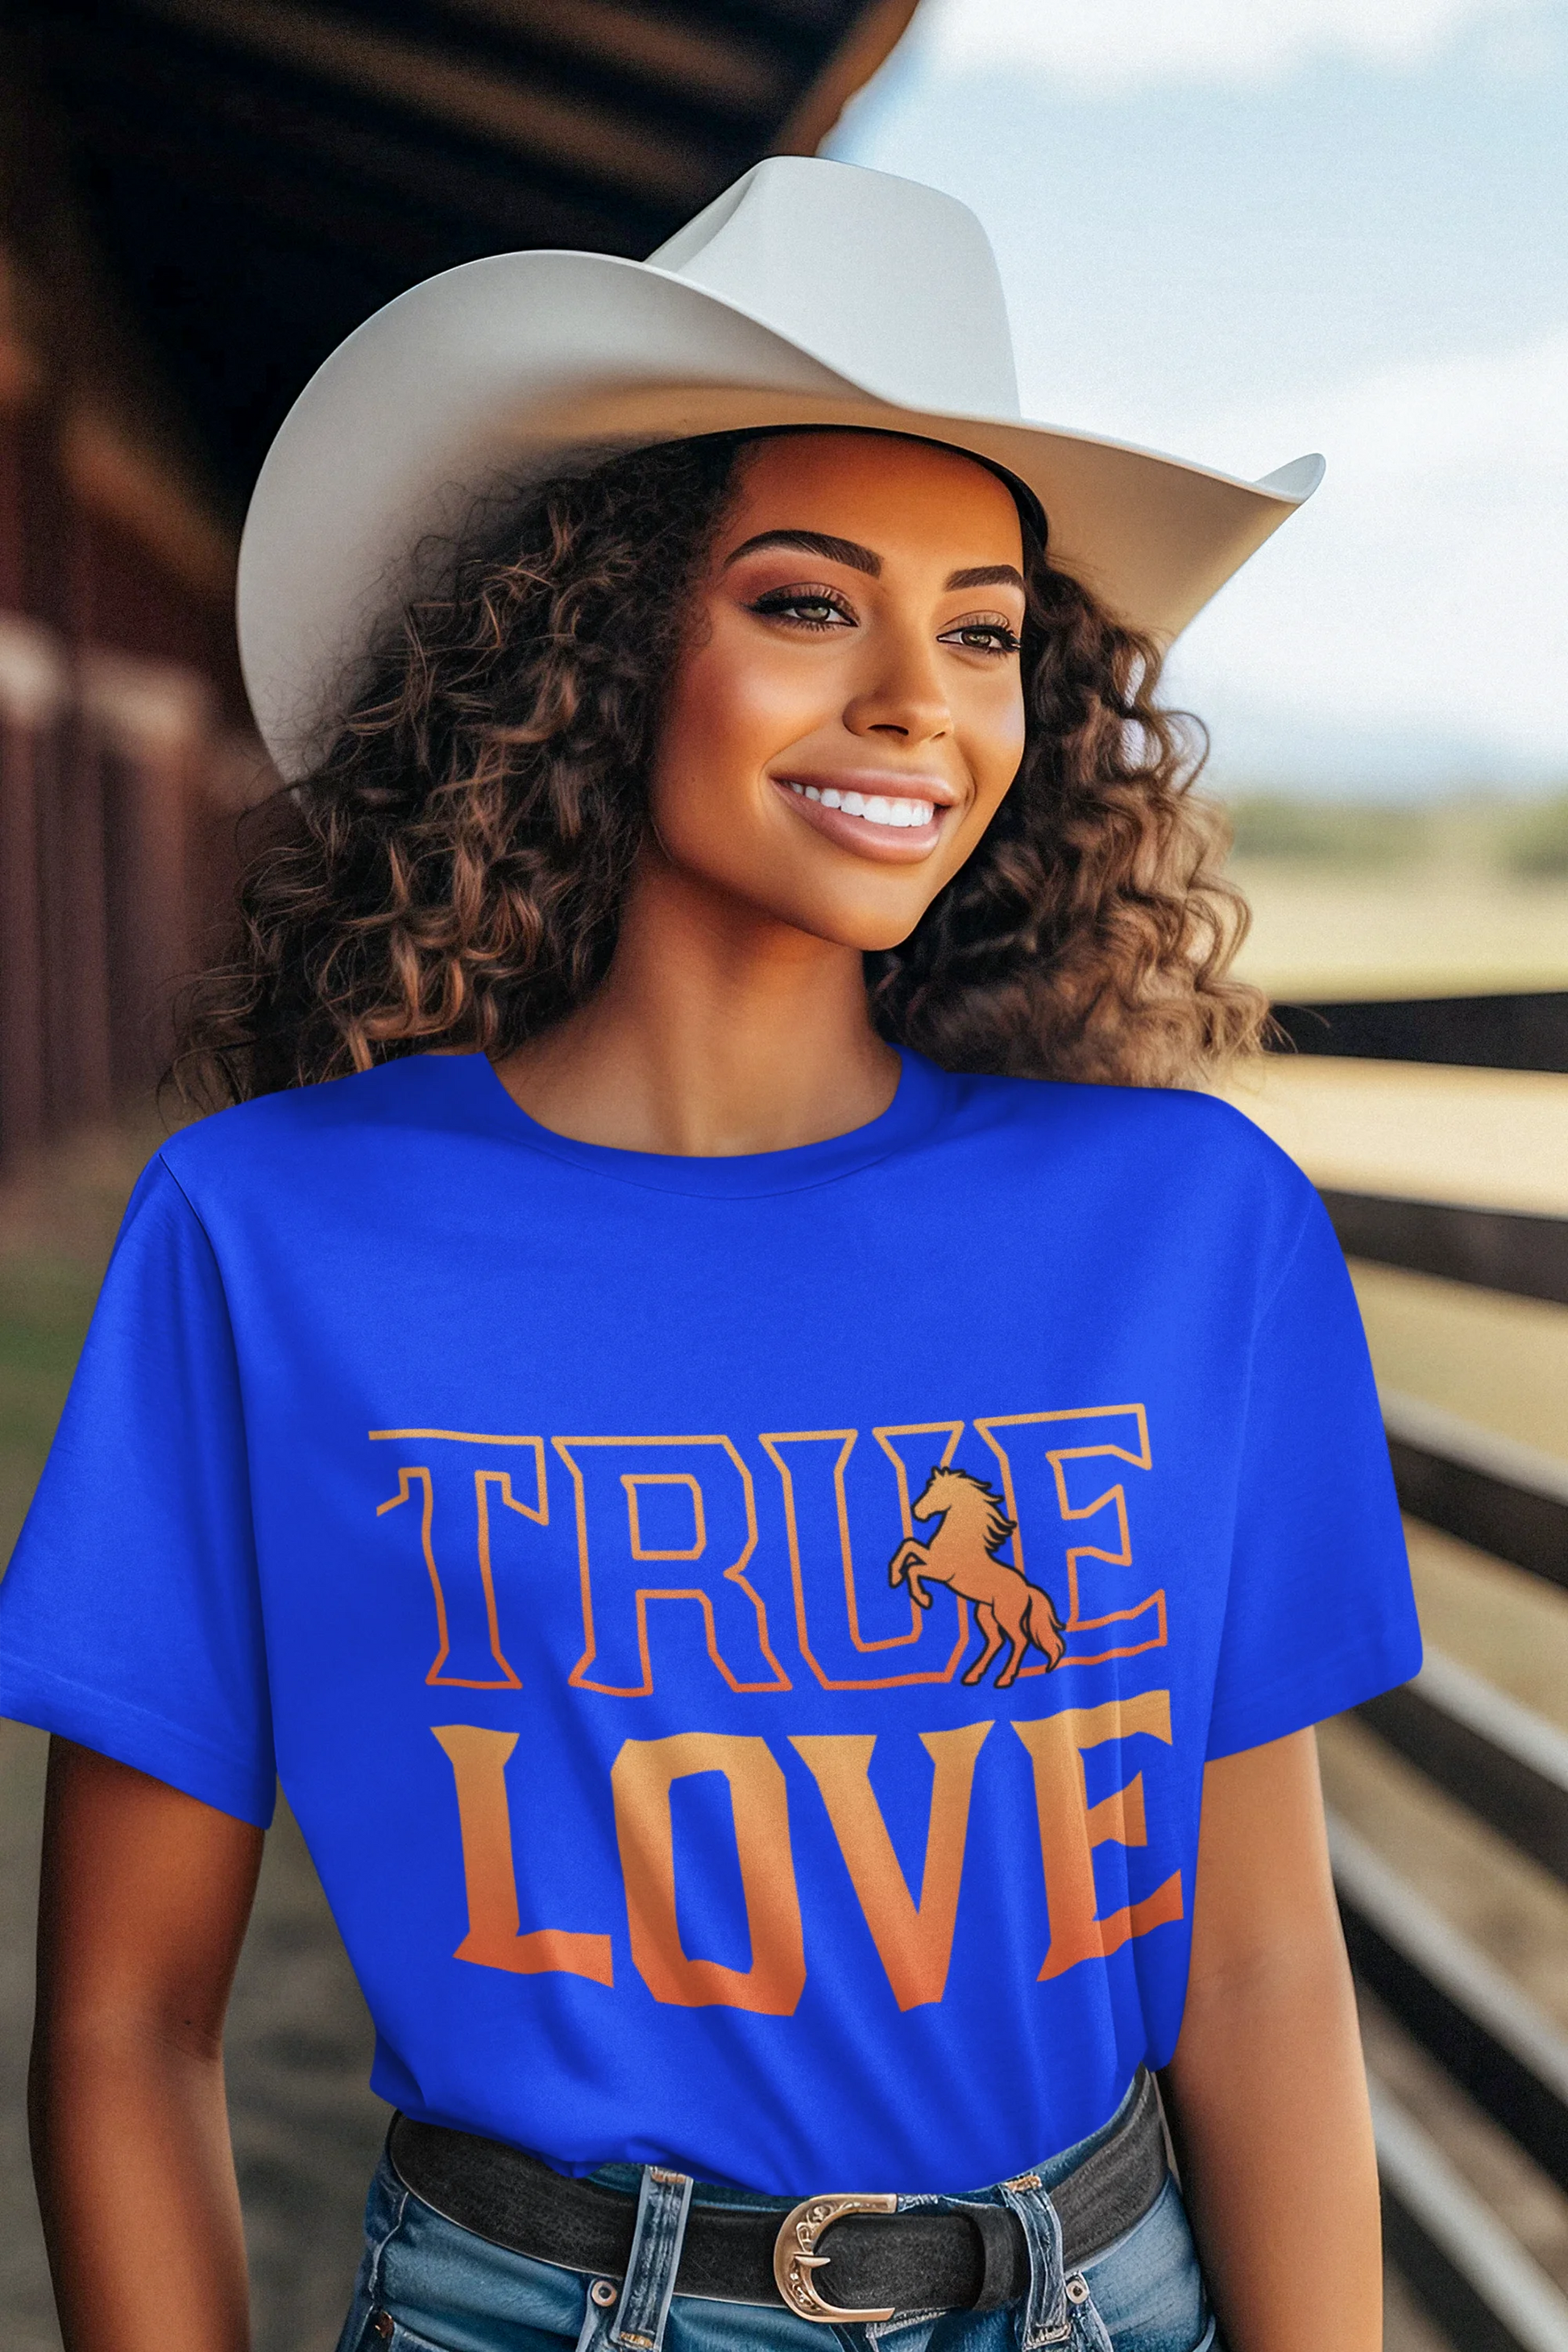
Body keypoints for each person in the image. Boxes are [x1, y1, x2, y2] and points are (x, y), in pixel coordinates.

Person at [1, 159, 1419, 2352]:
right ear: (598, 637)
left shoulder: (1185, 1228)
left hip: (1103, 2297)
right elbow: (118, 2027)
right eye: (803, 601)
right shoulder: (270, 1239)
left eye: (981, 631)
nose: (914, 704)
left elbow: (1253, 1962)